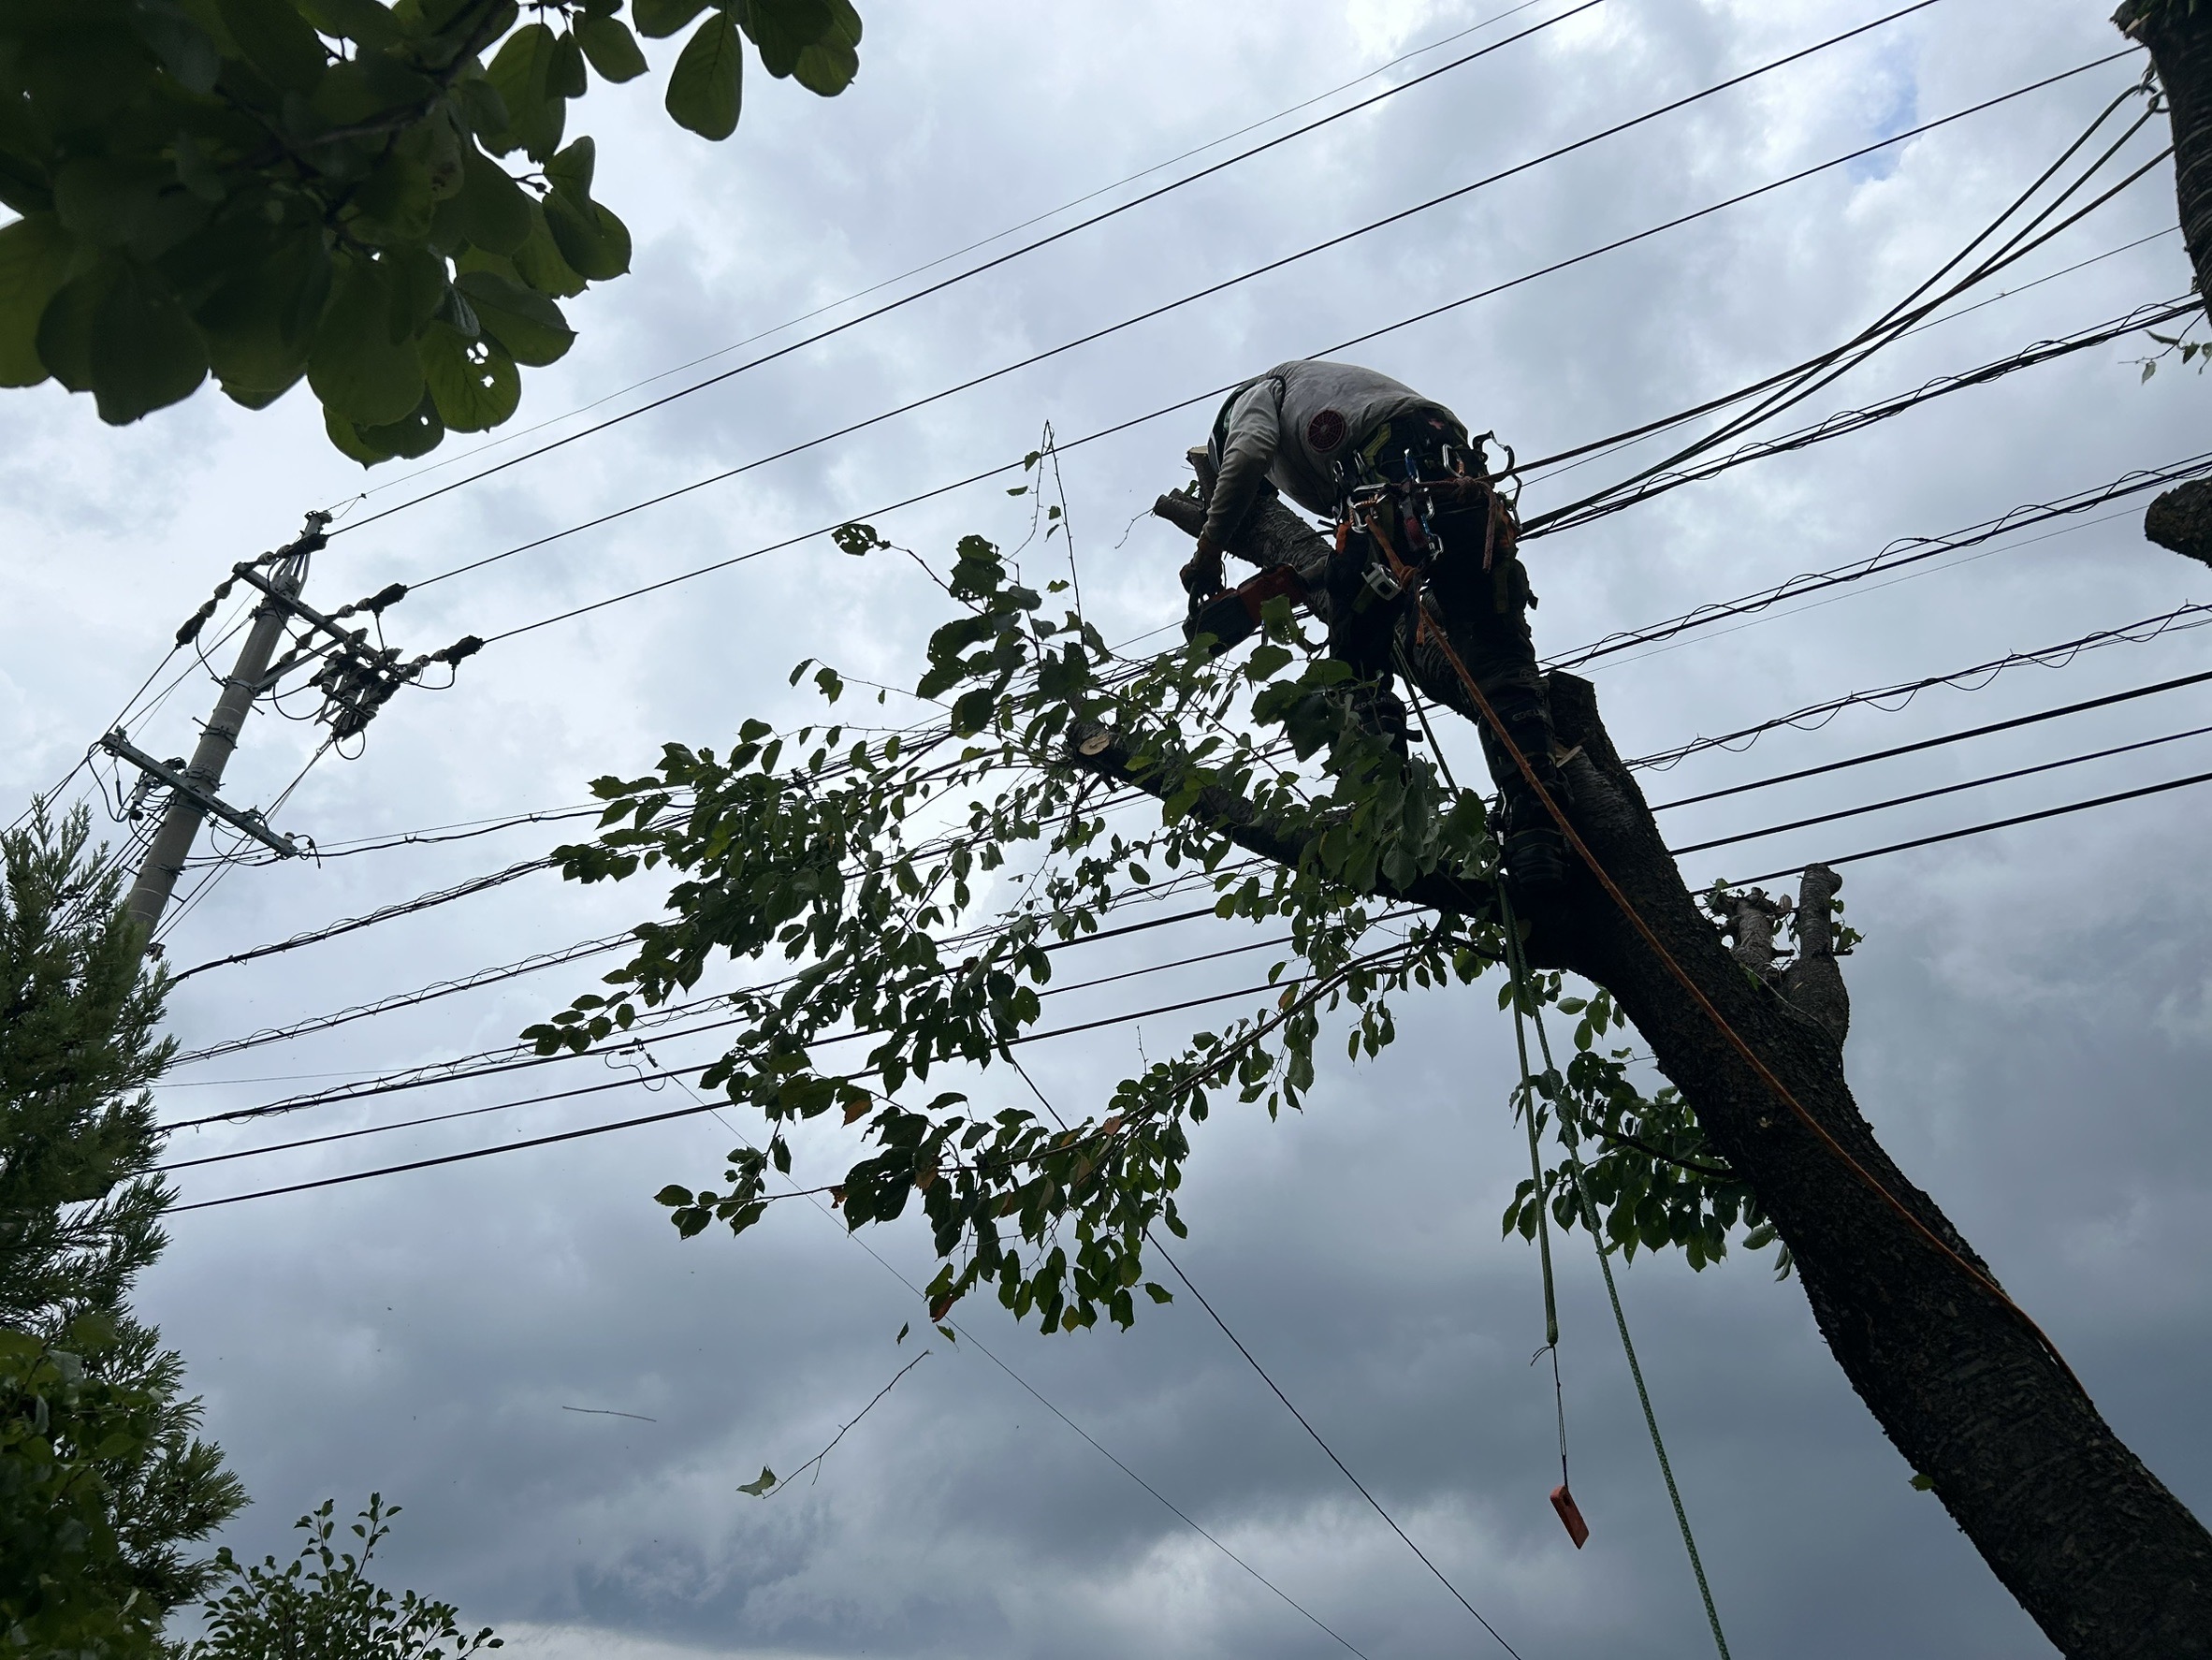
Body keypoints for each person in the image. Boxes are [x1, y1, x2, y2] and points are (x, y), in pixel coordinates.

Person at [1179, 358, 1567, 897]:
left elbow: (1246, 457)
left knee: (1356, 662)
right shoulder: (1325, 388)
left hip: (1387, 473)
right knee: (1497, 655)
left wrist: (1208, 551)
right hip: (1457, 477)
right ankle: (1537, 827)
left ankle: (1390, 821)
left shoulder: (1253, 400)